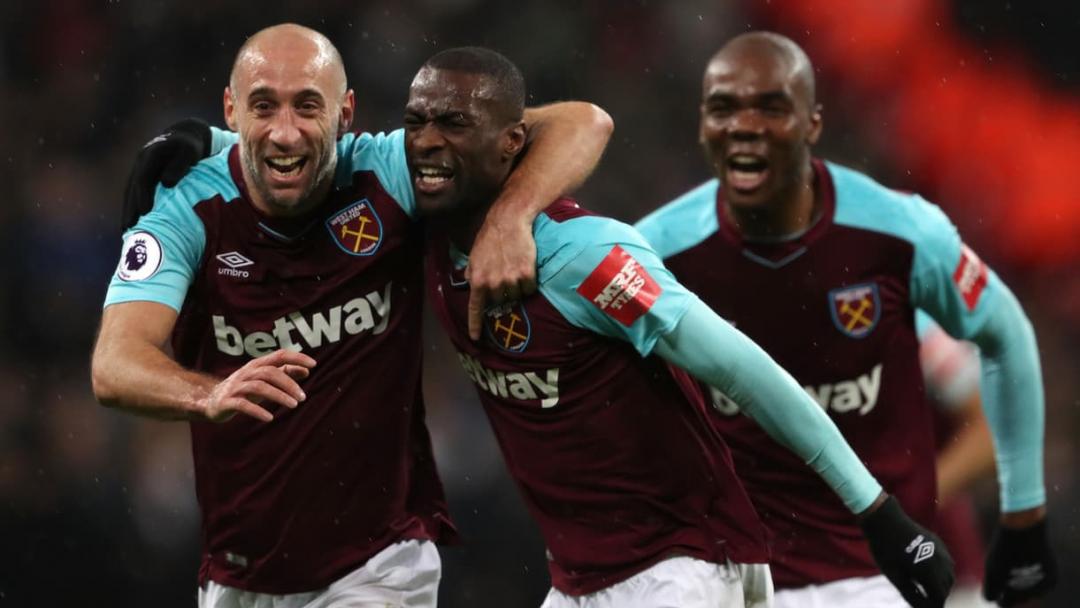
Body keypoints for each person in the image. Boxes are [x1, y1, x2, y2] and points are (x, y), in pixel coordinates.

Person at [410, 46, 952, 608]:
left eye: (455, 123)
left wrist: (878, 512)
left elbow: (746, 371)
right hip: (579, 580)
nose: (426, 140)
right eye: (415, 122)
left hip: (684, 566)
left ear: (512, 141)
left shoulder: (582, 256)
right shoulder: (424, 225)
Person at [91, 23, 613, 608]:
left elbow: (584, 122)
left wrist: (510, 217)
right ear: (232, 111)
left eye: (307, 106)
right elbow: (115, 364)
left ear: (346, 113)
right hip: (238, 574)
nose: (285, 132)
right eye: (264, 106)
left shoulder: (387, 172)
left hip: (381, 563)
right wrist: (206, 395)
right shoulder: (188, 209)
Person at [634, 31, 1056, 608]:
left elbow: (1005, 340)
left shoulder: (901, 236)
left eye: (771, 107)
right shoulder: (654, 253)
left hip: (887, 577)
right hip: (742, 581)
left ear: (813, 123)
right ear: (703, 123)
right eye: (723, 108)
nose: (744, 126)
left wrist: (1021, 512)